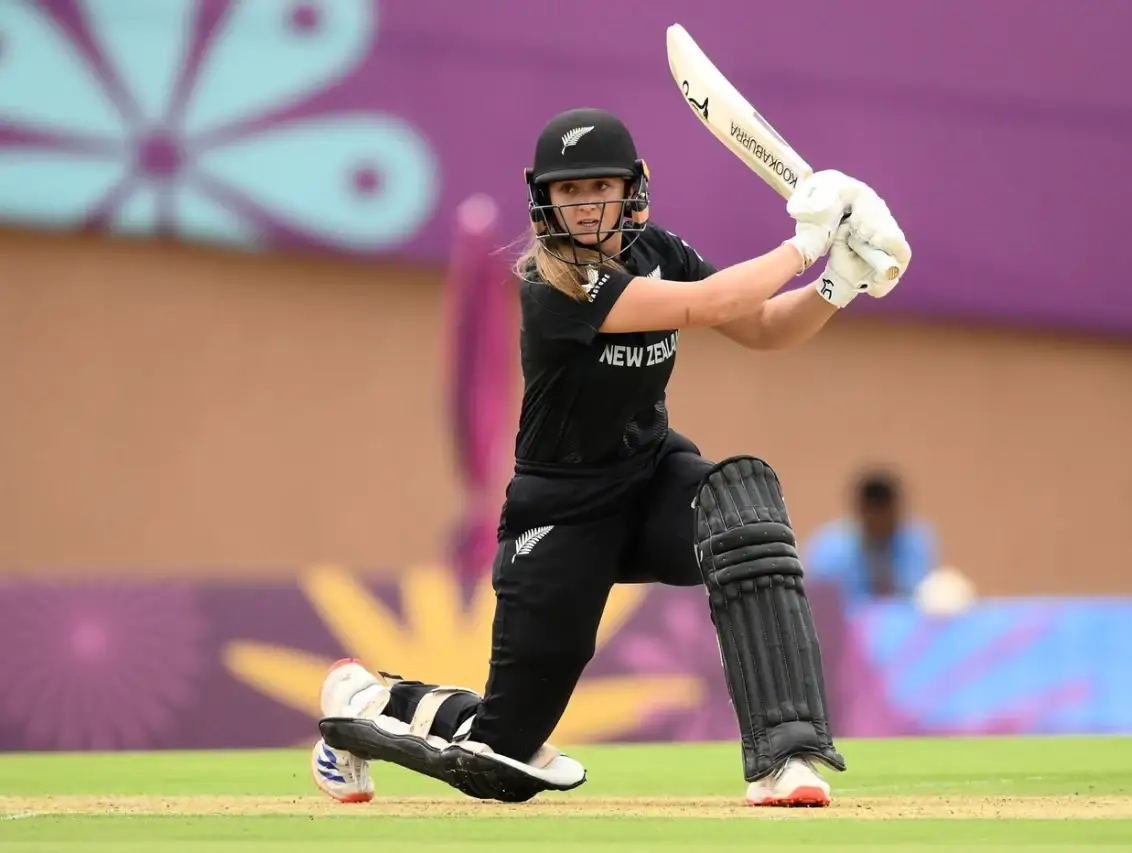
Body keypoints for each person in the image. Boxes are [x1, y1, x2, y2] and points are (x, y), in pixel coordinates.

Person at [309, 107, 911, 808]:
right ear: (544, 198)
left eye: (601, 185)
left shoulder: (661, 250)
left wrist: (841, 281)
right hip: (561, 514)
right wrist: (808, 240)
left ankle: (787, 757)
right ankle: (367, 701)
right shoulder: (554, 284)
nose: (588, 204)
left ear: (633, 187)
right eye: (570, 190)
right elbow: (710, 303)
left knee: (744, 503)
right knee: (503, 756)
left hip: (651, 481)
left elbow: (764, 326)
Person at [804, 468, 938, 613]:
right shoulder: (830, 549)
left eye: (886, 513)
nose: (880, 520)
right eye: (875, 513)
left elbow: (918, 595)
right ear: (862, 510)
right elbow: (820, 599)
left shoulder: (915, 542)